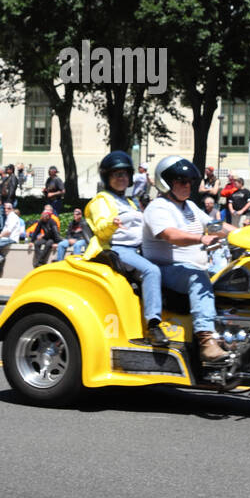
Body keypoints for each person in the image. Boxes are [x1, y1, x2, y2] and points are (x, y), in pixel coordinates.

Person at [142, 156, 235, 364]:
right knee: (198, 278)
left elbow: (214, 226)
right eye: (181, 181)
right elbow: (170, 235)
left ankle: (230, 334)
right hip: (166, 269)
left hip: (192, 267)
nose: (187, 185)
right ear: (166, 182)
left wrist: (244, 234)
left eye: (190, 181)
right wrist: (200, 238)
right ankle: (206, 340)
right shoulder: (158, 207)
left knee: (231, 279)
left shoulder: (190, 207)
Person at [84, 152, 165, 345]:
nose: (121, 178)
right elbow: (101, 229)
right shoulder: (102, 200)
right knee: (151, 271)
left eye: (124, 174)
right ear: (107, 177)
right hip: (119, 248)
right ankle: (154, 325)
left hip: (139, 248)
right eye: (116, 174)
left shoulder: (129, 202)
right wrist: (112, 223)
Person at [0, 201, 22, 277]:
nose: (6, 210)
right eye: (5, 208)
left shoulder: (13, 217)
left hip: (11, 238)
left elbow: (9, 231)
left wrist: (0, 236)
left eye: (9, 208)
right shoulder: (9, 216)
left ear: (12, 209)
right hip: (5, 238)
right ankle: (0, 258)